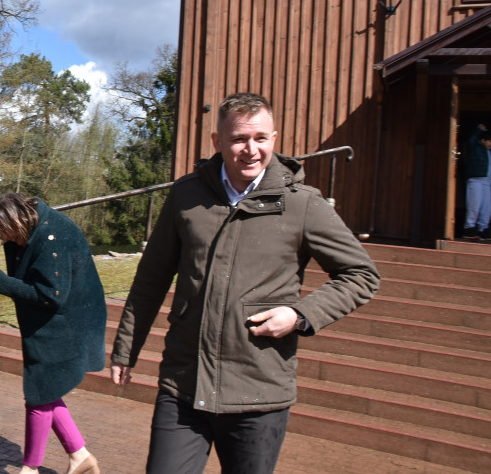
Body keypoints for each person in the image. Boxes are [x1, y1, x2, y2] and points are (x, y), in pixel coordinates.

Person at [110, 93, 381, 474]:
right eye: (238, 139)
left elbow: (362, 275)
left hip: (259, 391)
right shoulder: (186, 196)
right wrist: (126, 349)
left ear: (274, 137)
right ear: (217, 142)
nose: (250, 149)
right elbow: (151, 279)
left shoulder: (302, 204)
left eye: (260, 138)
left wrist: (300, 314)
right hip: (184, 384)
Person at [0, 193, 105, 474]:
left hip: (67, 323)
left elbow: (51, 295)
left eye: (6, 233)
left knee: (38, 395)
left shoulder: (51, 236)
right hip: (52, 322)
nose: (6, 240)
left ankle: (30, 469)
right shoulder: (32, 229)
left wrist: (1, 282)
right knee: (45, 391)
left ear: (16, 219)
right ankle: (79, 455)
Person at [460, 124, 491, 240]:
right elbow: (471, 140)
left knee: (487, 208)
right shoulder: (475, 147)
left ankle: (483, 230)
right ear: (483, 140)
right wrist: (478, 130)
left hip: (487, 182)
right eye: (489, 141)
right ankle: (469, 229)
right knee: (474, 205)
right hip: (476, 180)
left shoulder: (489, 152)